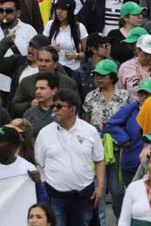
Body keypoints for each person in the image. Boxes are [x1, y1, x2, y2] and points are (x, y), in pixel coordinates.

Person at [35, 90, 105, 226]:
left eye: (59, 106)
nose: (55, 110)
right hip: (55, 195)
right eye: (53, 106)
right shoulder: (44, 133)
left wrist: (100, 187)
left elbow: (99, 160)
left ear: (72, 109)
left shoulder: (90, 131)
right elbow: (39, 164)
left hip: (85, 194)